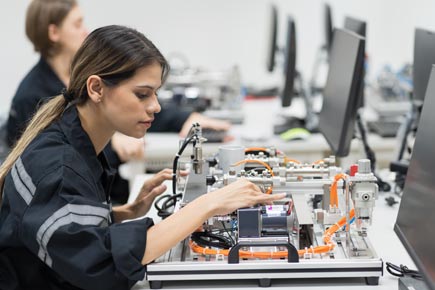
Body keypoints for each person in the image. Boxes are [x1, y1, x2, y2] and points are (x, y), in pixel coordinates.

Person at [0, 25, 283, 290]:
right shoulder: (57, 166)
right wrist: (209, 205)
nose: (156, 106)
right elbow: (100, 261)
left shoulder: (74, 138)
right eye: (142, 94)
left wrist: (124, 213)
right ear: (96, 88)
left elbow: (65, 229)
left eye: (156, 93)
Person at [5, 0, 231, 203]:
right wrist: (205, 207)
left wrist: (184, 118)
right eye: (77, 24)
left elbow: (131, 101)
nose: (85, 30)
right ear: (53, 32)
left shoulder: (74, 78)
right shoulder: (33, 97)